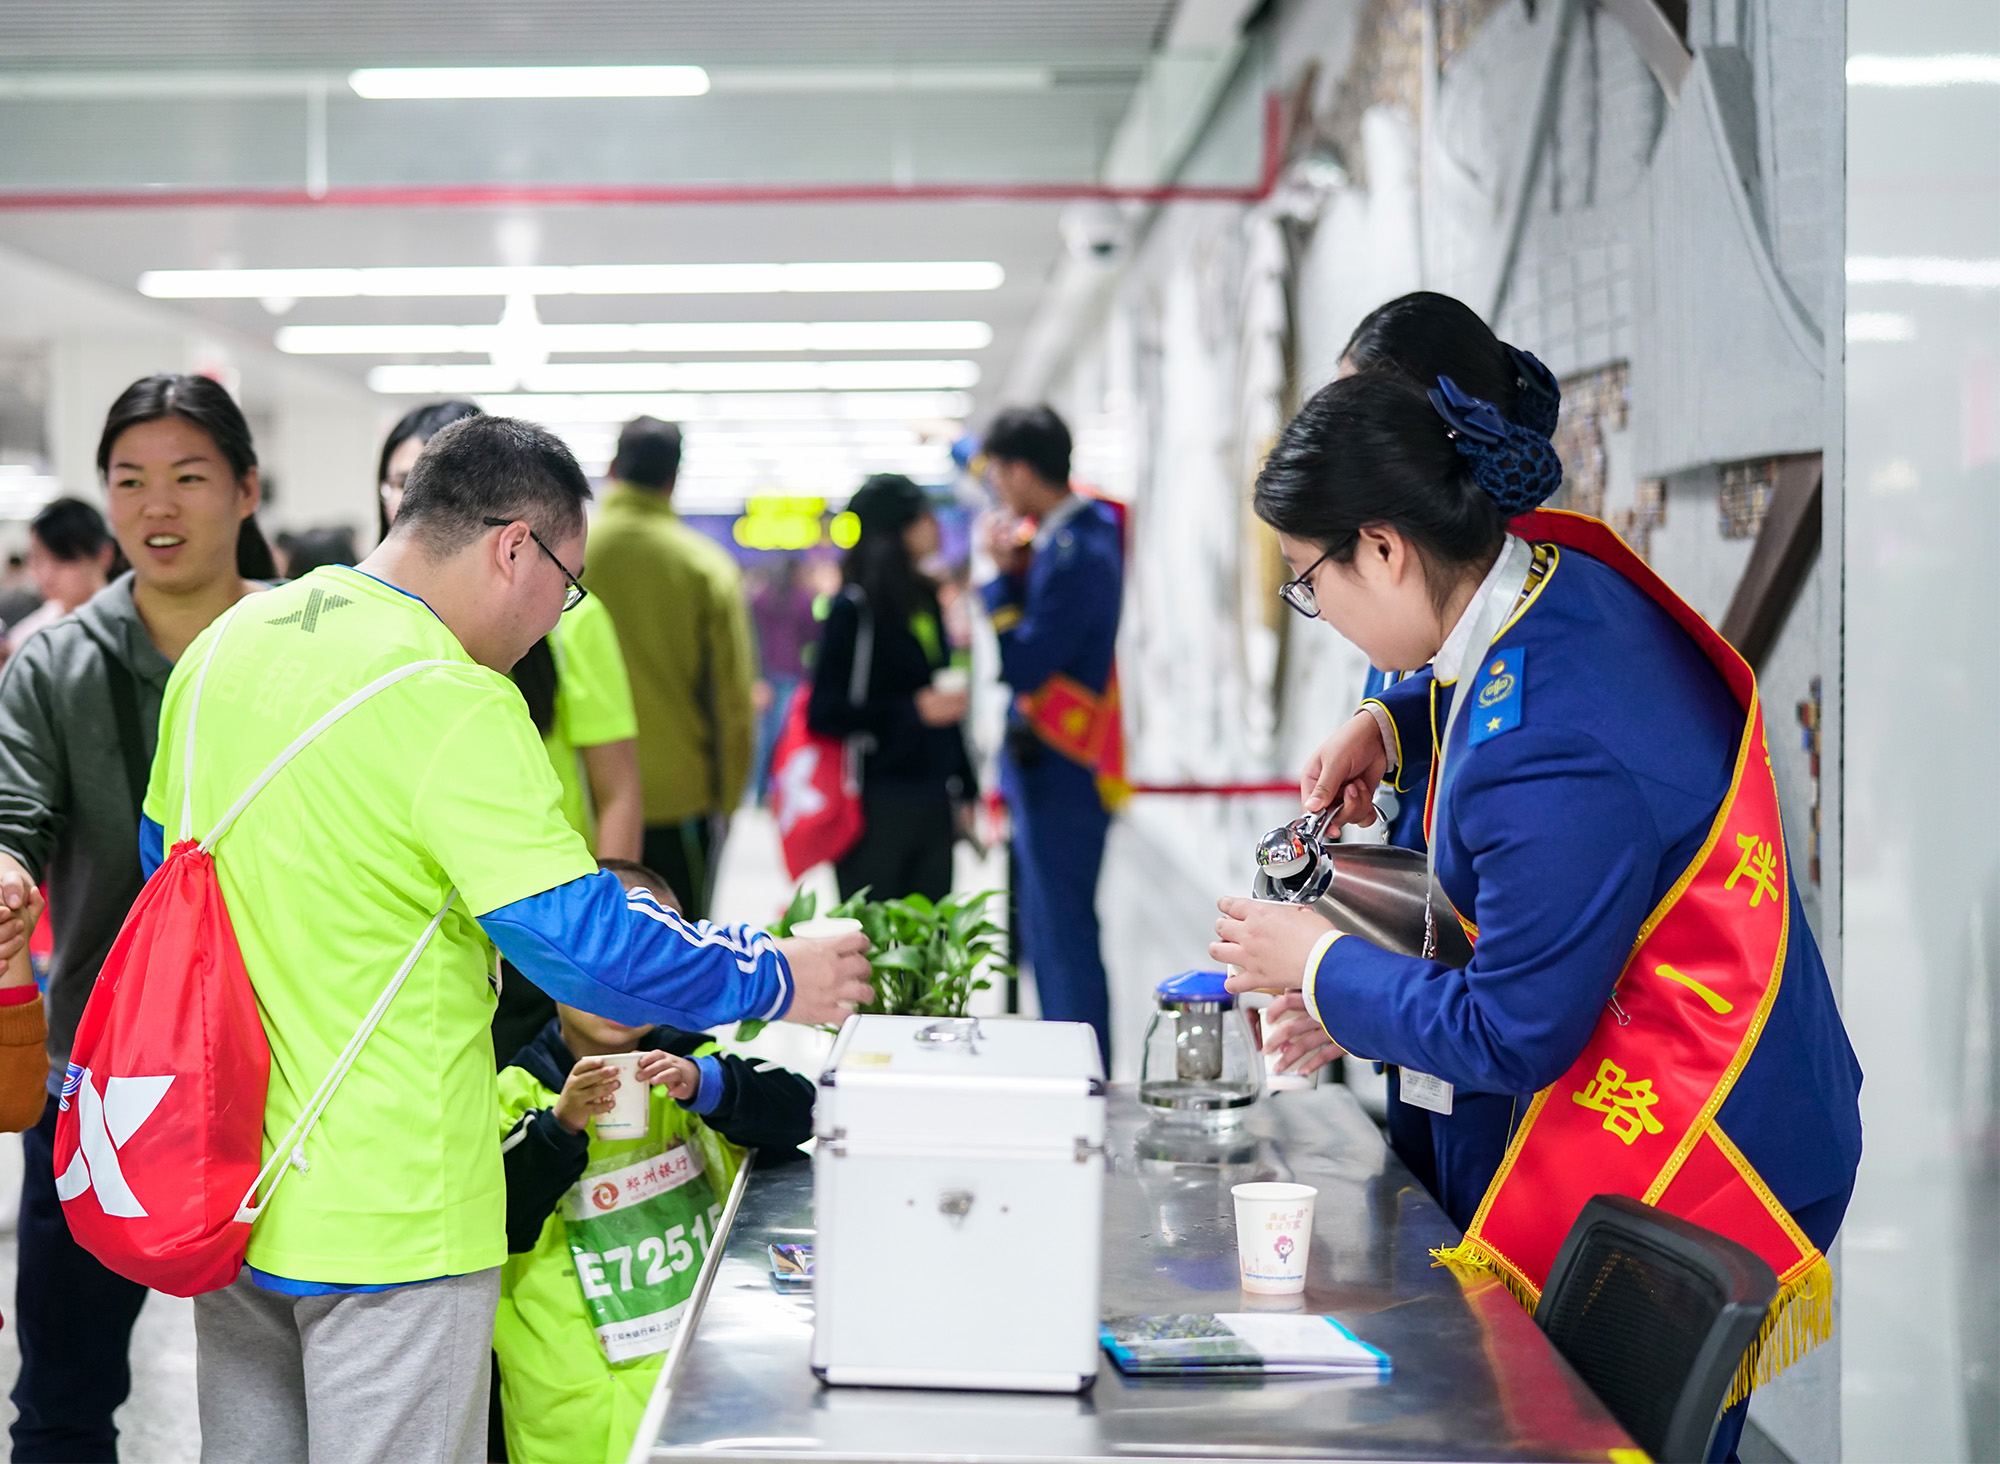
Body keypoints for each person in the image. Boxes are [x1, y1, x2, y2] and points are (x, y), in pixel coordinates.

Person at [140, 413, 869, 1464]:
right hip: (396, 1206)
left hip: (231, 1178)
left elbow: (167, 874)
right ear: (514, 547)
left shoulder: (224, 649)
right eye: (565, 586)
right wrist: (772, 974)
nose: (552, 622)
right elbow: (582, 944)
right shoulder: (452, 699)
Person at [1210, 305, 1862, 1463]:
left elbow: (1513, 1029)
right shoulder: (1543, 583)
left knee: (1595, 1437)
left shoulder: (1543, 743)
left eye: (1309, 583)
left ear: (1382, 548)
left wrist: (1313, 962)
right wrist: (1392, 724)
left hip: (1705, 1144)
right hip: (1672, 1066)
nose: (1319, 617)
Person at [0, 373, 272, 1463]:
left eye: (189, 477)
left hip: (285, 1073)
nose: (157, 505)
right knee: (62, 1398)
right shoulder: (58, 665)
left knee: (283, 1390)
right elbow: (15, 815)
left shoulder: (311, 648)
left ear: (246, 490)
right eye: (129, 479)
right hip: (100, 1083)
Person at [492, 857, 814, 1464]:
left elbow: (802, 1110)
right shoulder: (512, 1094)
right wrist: (560, 1127)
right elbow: (496, 1218)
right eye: (602, 963)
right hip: (572, 1421)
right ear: (550, 967)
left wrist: (706, 1084)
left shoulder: (698, 1068)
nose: (621, 988)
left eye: (646, 963)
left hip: (707, 1399)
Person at [379, 402, 645, 1068]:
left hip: (540, 915)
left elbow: (617, 789)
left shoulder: (566, 623)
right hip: (425, 937)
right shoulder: (391, 650)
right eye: (401, 482)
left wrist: (602, 948)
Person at [979, 406, 1123, 1070]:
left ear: (1019, 470)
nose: (995, 488)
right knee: (1045, 932)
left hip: (1063, 767)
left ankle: (1084, 1073)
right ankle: (1067, 1064)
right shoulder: (1068, 538)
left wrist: (996, 587)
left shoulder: (1077, 551)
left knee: (1063, 934)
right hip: (1048, 764)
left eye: (996, 473)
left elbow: (1025, 663)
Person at [586, 416, 756, 921]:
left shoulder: (568, 556)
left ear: (611, 468)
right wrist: (727, 800)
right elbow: (732, 700)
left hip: (577, 796)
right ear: (674, 478)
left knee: (583, 951)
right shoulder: (704, 567)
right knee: (681, 947)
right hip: (678, 799)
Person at [807, 475, 975, 903]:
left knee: (933, 937)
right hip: (873, 802)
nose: (936, 526)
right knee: (875, 936)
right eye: (924, 516)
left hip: (934, 798)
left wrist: (967, 785)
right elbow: (824, 711)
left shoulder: (926, 600)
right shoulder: (854, 609)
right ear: (898, 529)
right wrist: (912, 711)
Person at [2, 498, 117, 660]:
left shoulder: (122, 626)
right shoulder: (39, 625)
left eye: (61, 559)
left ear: (105, 555)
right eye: (37, 558)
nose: (46, 574)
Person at [748, 553, 819, 802]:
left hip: (765, 672)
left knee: (764, 736)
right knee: (783, 734)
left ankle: (757, 791)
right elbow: (813, 634)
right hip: (790, 672)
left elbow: (751, 639)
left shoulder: (759, 599)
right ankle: (774, 792)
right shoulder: (802, 599)